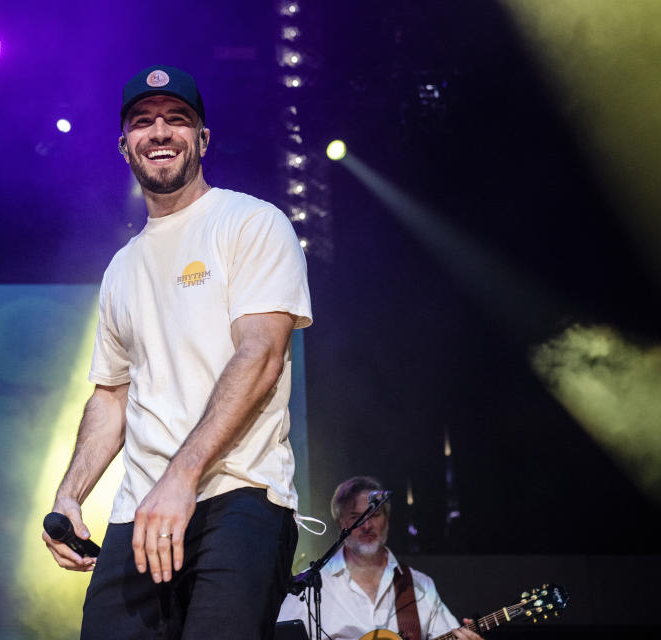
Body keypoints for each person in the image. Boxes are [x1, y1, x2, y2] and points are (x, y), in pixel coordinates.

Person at [42, 64, 312, 640]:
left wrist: (181, 476)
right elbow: (111, 396)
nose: (159, 132)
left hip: (237, 494)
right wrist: (70, 493)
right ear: (124, 146)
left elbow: (260, 355)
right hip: (137, 514)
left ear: (203, 139)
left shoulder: (252, 223)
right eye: (143, 122)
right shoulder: (121, 268)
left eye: (177, 120)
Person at [278, 476, 483, 640]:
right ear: (341, 523)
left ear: (387, 519)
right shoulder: (310, 585)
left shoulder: (420, 585)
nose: (367, 525)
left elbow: (449, 633)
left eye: (375, 515)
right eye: (356, 517)